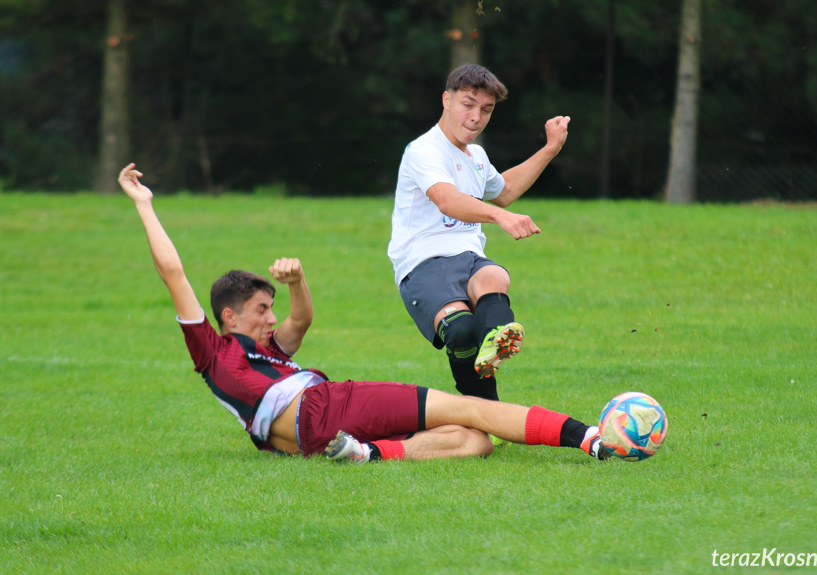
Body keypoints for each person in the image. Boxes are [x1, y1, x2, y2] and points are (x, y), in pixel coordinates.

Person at [118, 163, 607, 462]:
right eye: (262, 309)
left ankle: (366, 454)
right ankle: (589, 439)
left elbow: (301, 322)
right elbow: (173, 273)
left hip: (317, 429)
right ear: (228, 316)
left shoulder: (267, 353)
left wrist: (297, 282)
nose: (272, 319)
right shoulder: (214, 352)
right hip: (327, 405)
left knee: (474, 440)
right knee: (473, 408)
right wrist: (144, 205)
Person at [387, 63, 571, 406]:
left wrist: (550, 148)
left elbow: (505, 191)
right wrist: (499, 217)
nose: (476, 116)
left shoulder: (477, 156)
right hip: (422, 263)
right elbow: (446, 199)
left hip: (469, 258)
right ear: (446, 99)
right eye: (468, 104)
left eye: (486, 109)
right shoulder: (424, 150)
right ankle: (489, 406)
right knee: (460, 332)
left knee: (495, 275)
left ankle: (497, 338)